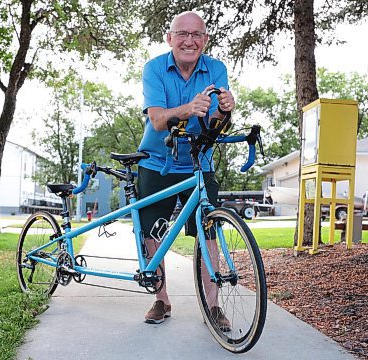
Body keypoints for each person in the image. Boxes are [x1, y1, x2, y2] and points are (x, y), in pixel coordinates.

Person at [136, 11, 236, 328]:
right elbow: (156, 119)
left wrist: (224, 109)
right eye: (182, 33)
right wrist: (189, 108)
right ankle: (161, 300)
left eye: (196, 35)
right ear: (170, 38)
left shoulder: (216, 69)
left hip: (198, 160)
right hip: (156, 161)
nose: (189, 41)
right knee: (154, 234)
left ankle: (213, 306)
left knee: (209, 233)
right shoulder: (154, 69)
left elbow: (215, 124)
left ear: (205, 40)